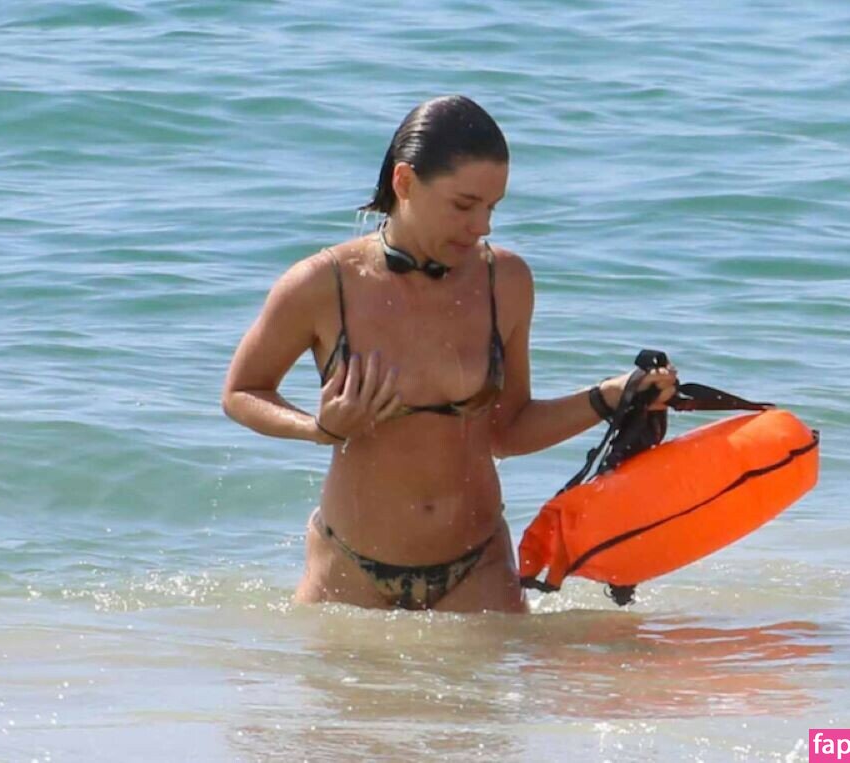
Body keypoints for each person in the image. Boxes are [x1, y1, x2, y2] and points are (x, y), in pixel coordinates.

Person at [221, 95, 677, 614]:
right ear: (404, 182)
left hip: (477, 567)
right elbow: (241, 392)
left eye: (492, 207)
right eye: (464, 205)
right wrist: (318, 428)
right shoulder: (324, 284)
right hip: (349, 569)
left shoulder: (505, 281)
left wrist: (609, 397)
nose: (482, 225)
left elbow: (507, 431)